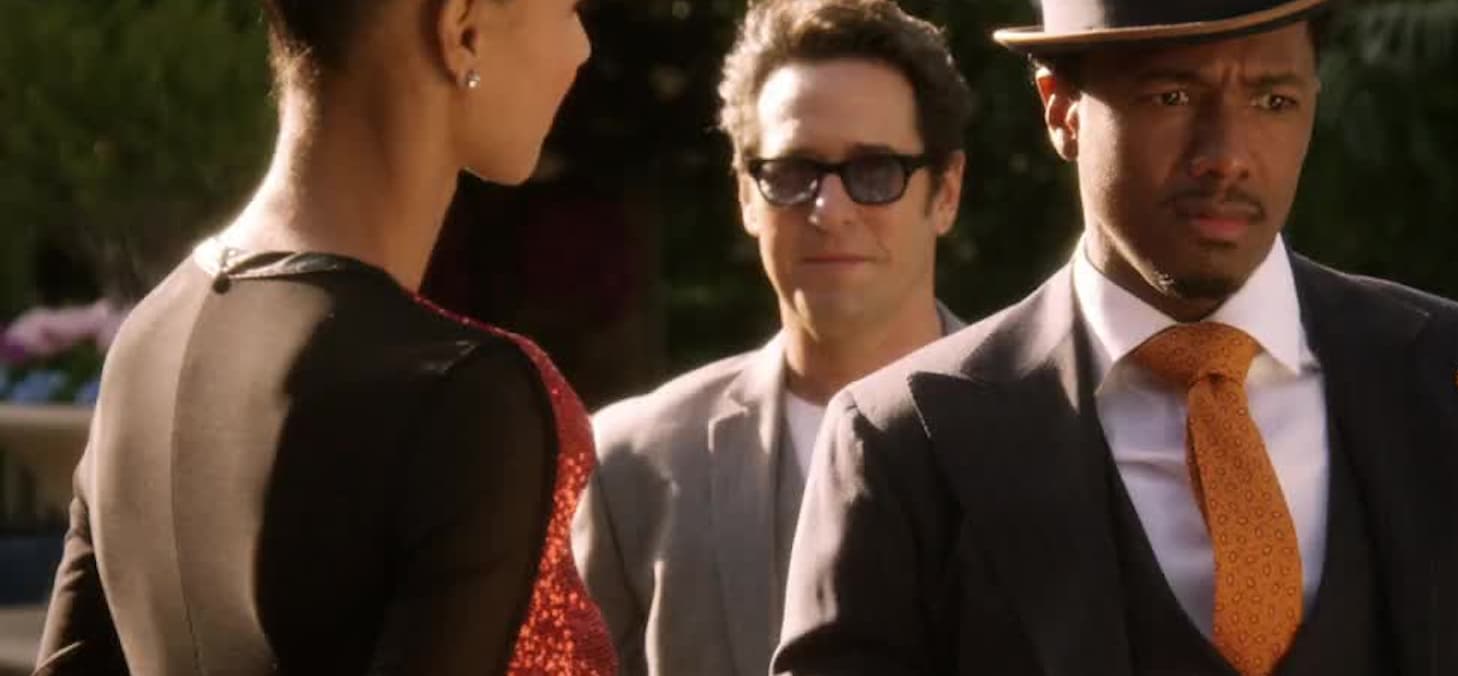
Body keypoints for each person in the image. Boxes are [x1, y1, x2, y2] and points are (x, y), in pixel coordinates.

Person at [773, 1, 1458, 675]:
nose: (1227, 153)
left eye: (1273, 100)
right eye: (1172, 96)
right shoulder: (906, 440)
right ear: (1061, 110)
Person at [35, 0, 613, 673]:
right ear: (462, 29)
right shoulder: (466, 396)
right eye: (568, 9)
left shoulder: (146, 340)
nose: (582, 49)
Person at [570, 1, 970, 673]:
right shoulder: (631, 466)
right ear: (746, 195)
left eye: (875, 172)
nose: (830, 210)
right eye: (792, 172)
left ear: (947, 192)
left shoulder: (1055, 432)